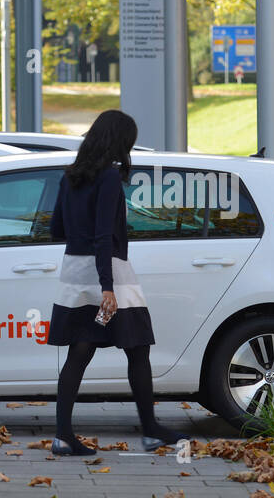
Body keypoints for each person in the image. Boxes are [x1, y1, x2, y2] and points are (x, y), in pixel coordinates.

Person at [46, 110, 189, 455]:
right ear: (119, 141)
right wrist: (107, 287)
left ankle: (62, 435)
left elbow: (56, 229)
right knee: (138, 346)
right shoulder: (108, 178)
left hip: (74, 271)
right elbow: (103, 236)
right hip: (109, 271)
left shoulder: (71, 176)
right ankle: (151, 429)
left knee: (79, 351)